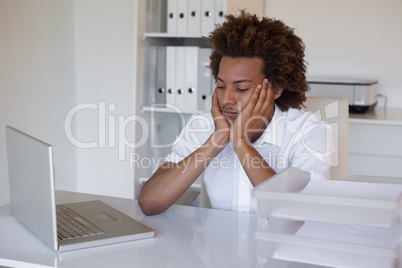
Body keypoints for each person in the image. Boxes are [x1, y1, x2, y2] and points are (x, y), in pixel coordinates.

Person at [139, 11, 334, 215]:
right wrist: (217, 140)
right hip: (220, 244)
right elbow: (150, 202)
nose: (226, 100)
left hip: (280, 246)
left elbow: (297, 215)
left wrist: (241, 142)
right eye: (221, 86)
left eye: (241, 89)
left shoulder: (309, 132)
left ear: (276, 89)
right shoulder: (204, 126)